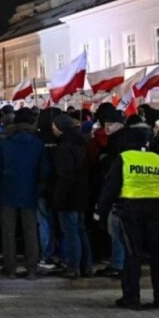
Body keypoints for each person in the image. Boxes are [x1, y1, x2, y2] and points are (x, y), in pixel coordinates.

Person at [97, 146, 159, 310]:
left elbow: (111, 186)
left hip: (131, 209)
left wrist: (101, 212)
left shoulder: (124, 158)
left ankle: (131, 298)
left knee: (132, 254)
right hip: (157, 210)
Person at [0, 108, 51, 279]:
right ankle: (31, 268)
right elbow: (44, 170)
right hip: (30, 192)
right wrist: (40, 189)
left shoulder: (4, 142)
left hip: (7, 191)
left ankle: (11, 268)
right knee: (30, 231)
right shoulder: (37, 143)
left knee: (8, 231)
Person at [52, 114, 92, 278]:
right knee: (81, 231)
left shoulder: (64, 147)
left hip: (69, 196)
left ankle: (73, 266)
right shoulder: (81, 142)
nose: (52, 129)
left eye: (54, 126)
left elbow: (65, 175)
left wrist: (59, 196)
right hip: (82, 194)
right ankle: (86, 266)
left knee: (71, 232)